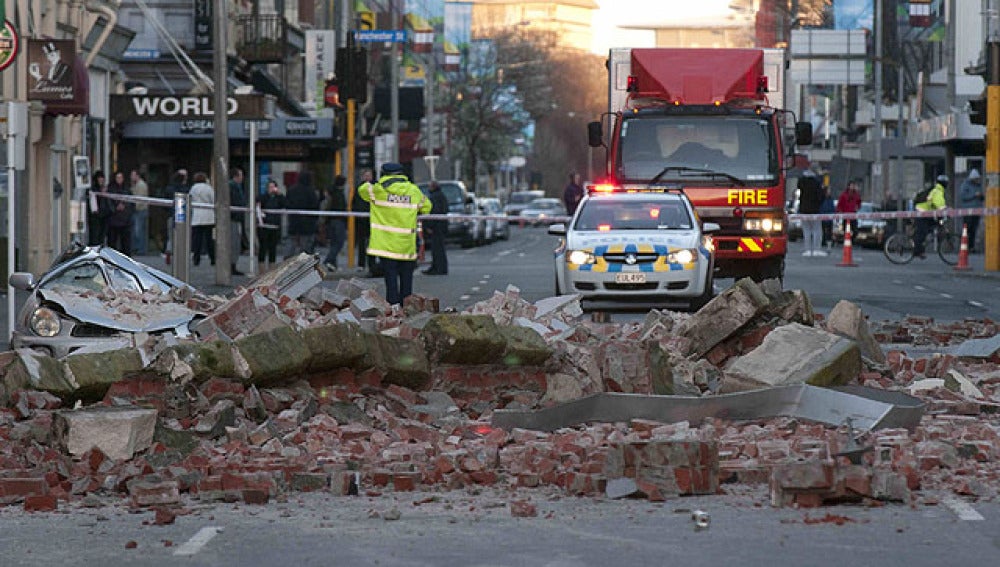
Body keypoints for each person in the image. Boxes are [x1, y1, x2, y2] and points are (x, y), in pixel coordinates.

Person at [360, 162, 431, 305]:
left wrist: (375, 181)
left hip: (386, 246)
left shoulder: (378, 190)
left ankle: (393, 311)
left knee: (391, 281)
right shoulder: (413, 190)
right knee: (407, 282)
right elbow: (427, 207)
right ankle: (407, 311)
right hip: (406, 245)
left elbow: (363, 189)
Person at [912, 174, 949, 260]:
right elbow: (939, 204)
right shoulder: (938, 191)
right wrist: (946, 210)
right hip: (922, 212)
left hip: (925, 212)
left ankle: (920, 247)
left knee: (931, 226)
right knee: (922, 232)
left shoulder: (935, 189)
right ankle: (917, 251)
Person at [285, 170, 320, 256]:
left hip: (294, 221)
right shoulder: (311, 191)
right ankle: (303, 264)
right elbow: (315, 206)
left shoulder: (291, 190)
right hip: (307, 223)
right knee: (305, 246)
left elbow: (287, 204)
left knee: (291, 243)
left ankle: (287, 261)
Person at [320, 176, 348, 271]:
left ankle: (332, 265)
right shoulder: (339, 194)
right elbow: (341, 207)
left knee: (333, 243)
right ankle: (328, 260)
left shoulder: (330, 192)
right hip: (338, 221)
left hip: (330, 221)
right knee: (339, 242)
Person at [104, 171, 135, 255]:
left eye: (121, 177)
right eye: (117, 177)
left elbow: (131, 202)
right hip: (113, 220)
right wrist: (115, 208)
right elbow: (108, 202)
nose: (119, 179)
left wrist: (124, 206)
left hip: (125, 220)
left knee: (126, 244)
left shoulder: (127, 189)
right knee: (112, 243)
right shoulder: (111, 188)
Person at [189, 172, 216, 266]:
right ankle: (213, 258)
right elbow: (214, 199)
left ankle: (196, 259)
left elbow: (190, 199)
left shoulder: (193, 188)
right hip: (208, 215)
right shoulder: (208, 188)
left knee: (197, 239)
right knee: (209, 239)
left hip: (197, 215)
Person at [257, 179, 285, 270]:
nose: (271, 189)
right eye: (270, 187)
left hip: (275, 226)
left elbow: (284, 204)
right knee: (263, 247)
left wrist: (279, 194)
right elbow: (259, 202)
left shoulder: (279, 198)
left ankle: (271, 268)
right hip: (264, 226)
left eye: (273, 187)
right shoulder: (263, 197)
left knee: (273, 248)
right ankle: (261, 269)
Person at [422, 181, 449, 275]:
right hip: (441, 225)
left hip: (437, 226)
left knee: (437, 248)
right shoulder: (441, 195)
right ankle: (438, 267)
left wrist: (429, 225)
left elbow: (434, 211)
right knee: (438, 248)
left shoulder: (435, 197)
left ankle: (438, 268)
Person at [352, 170, 376, 275]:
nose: (367, 177)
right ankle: (361, 264)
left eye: (369, 175)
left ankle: (372, 264)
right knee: (362, 243)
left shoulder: (375, 188)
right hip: (361, 220)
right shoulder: (359, 188)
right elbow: (354, 203)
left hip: (372, 219)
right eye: (365, 175)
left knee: (372, 243)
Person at [162, 168, 190, 257]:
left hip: (171, 214)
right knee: (182, 234)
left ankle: (168, 251)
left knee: (171, 234)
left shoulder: (169, 188)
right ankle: (180, 252)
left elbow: (165, 201)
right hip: (182, 215)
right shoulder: (184, 189)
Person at [797, 170, 825, 257]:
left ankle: (807, 249)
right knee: (817, 230)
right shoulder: (816, 183)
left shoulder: (801, 182)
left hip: (803, 210)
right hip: (815, 210)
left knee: (806, 230)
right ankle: (817, 249)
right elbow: (821, 196)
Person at [959, 169, 984, 252]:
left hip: (976, 211)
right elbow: (963, 196)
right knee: (967, 229)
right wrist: (974, 195)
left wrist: (981, 196)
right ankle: (965, 246)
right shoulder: (965, 185)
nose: (978, 180)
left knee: (974, 230)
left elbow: (981, 197)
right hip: (968, 211)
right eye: (976, 179)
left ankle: (971, 247)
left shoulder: (978, 186)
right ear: (972, 178)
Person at [229, 168, 247, 275]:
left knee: (236, 242)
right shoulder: (233, 187)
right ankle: (232, 265)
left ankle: (233, 264)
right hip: (234, 217)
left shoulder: (237, 187)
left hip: (237, 217)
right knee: (234, 242)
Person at [86, 171, 108, 247]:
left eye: (102, 179)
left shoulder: (105, 189)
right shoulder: (93, 189)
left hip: (103, 216)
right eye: (99, 178)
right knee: (95, 237)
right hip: (95, 217)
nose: (101, 180)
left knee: (101, 236)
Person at [129, 169, 149, 255]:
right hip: (140, 210)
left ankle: (140, 249)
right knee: (139, 230)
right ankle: (139, 248)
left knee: (138, 231)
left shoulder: (141, 185)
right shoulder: (136, 185)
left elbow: (139, 199)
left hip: (140, 211)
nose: (131, 177)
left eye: (132, 175)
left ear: (137, 176)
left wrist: (133, 208)